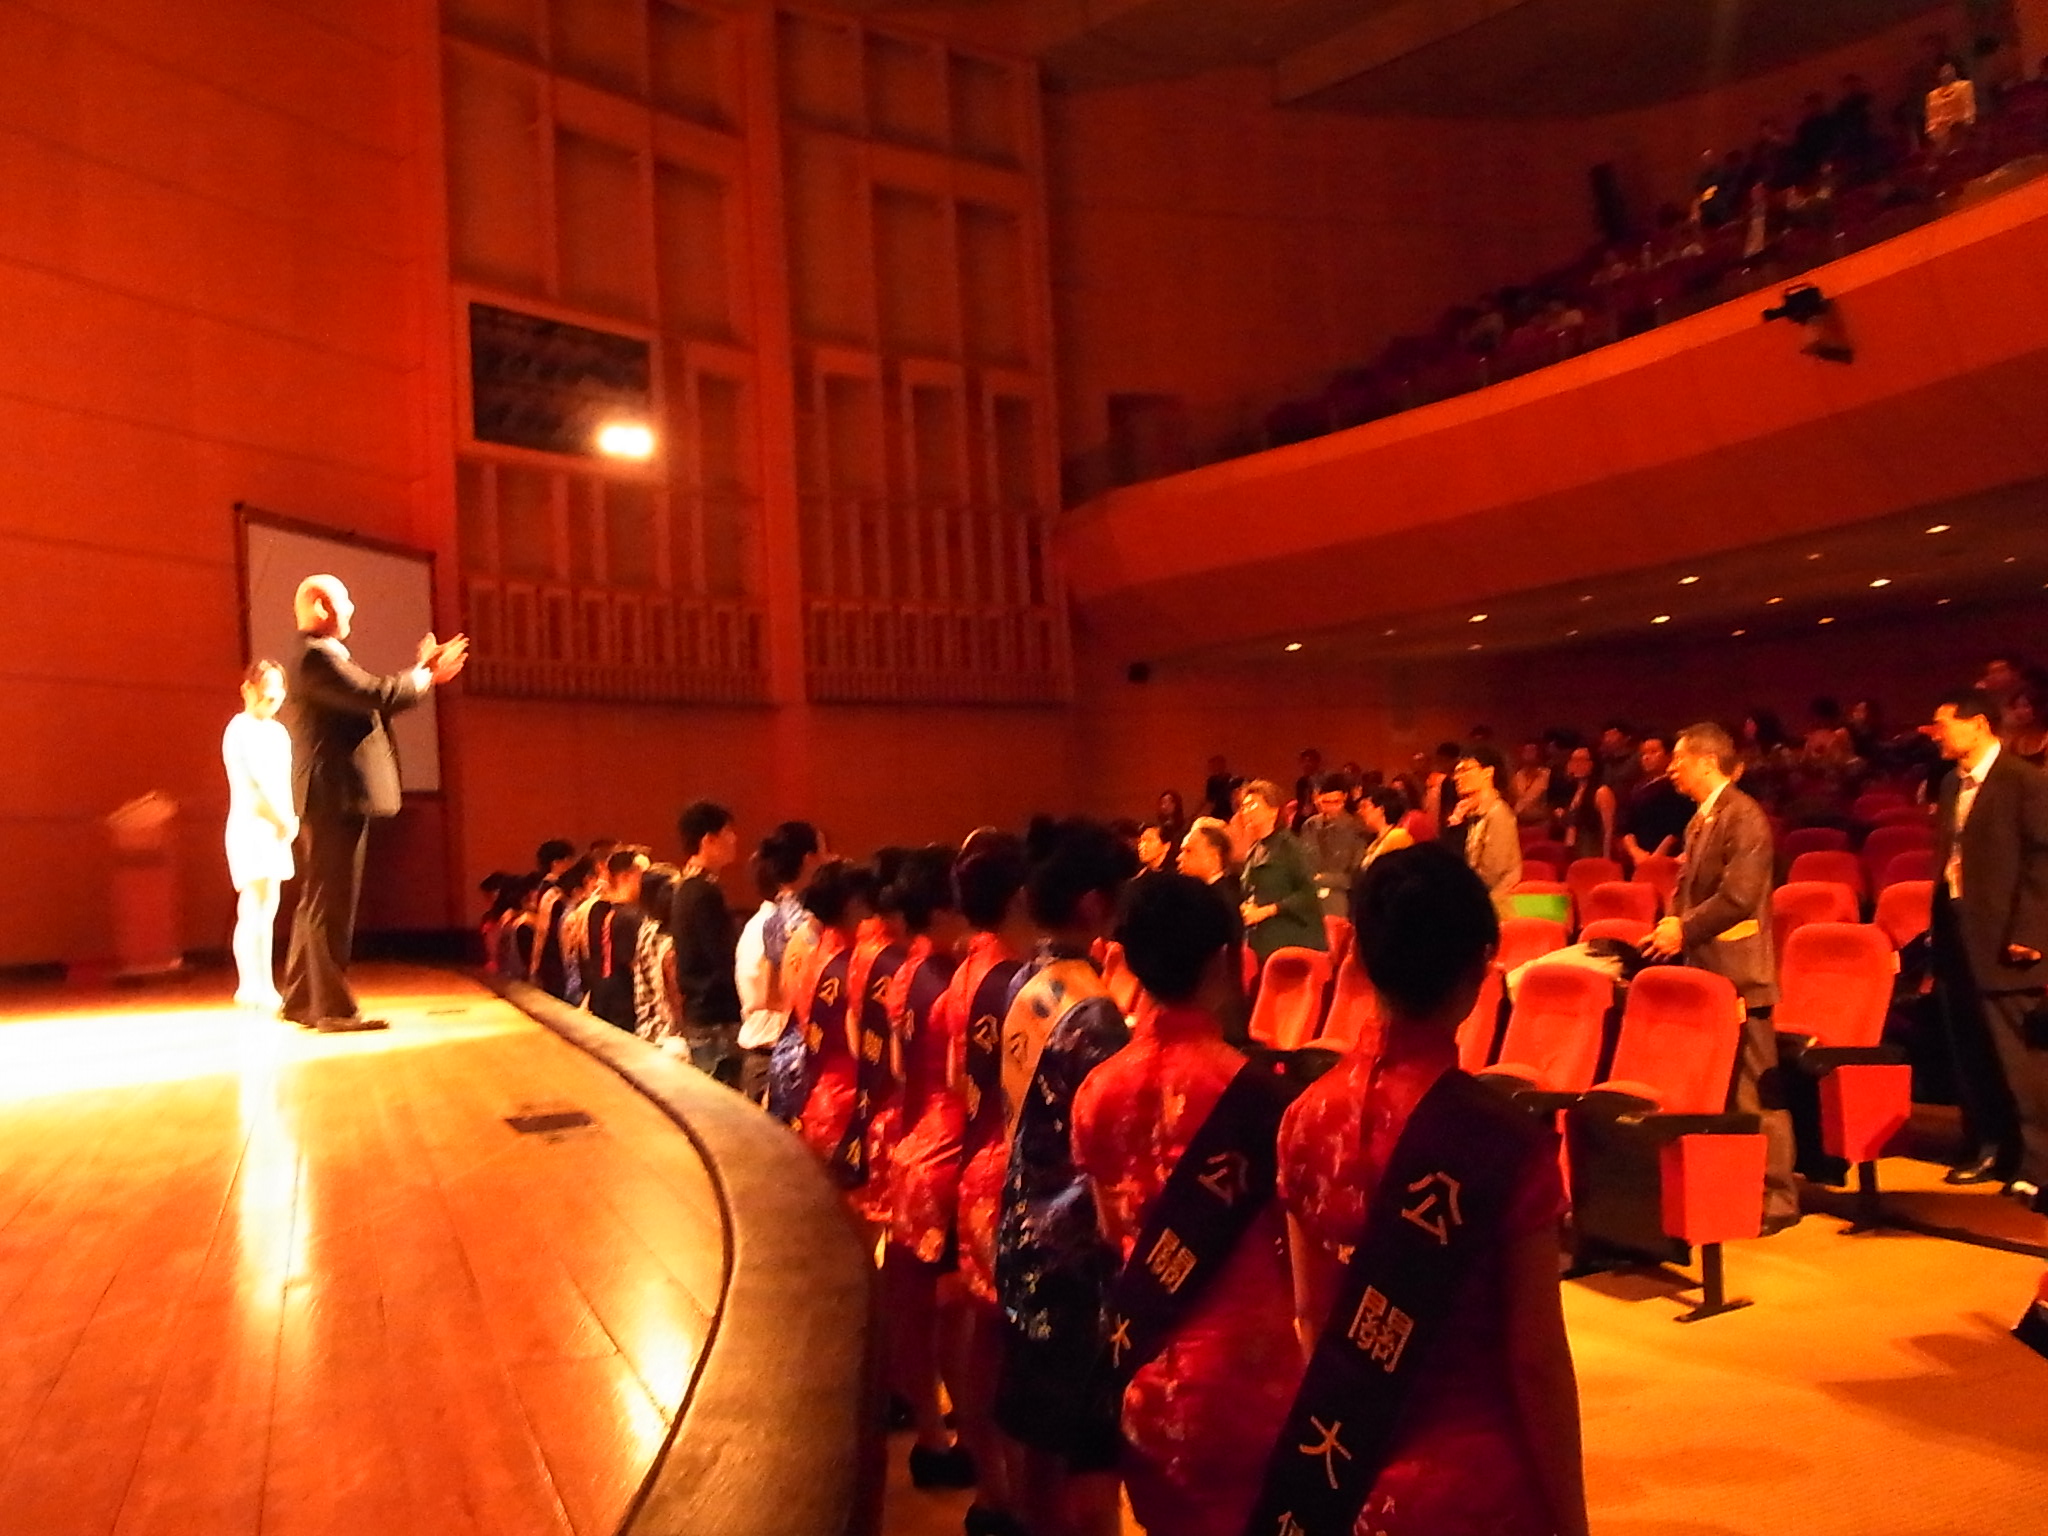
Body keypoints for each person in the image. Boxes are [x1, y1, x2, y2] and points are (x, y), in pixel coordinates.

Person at [1270, 846, 1588, 1536]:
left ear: (1358, 960)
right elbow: (1534, 1361)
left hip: (1353, 1470)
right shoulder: (1508, 1142)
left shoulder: (1303, 1117)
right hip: (1479, 1486)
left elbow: (1311, 1317)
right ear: (1478, 968)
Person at [1071, 874, 1298, 1536]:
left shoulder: (1096, 1092)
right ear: (1224, 961)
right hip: (1247, 1378)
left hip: (1144, 1369)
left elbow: (1110, 1232)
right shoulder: (1260, 1097)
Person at [993, 819, 1136, 1536]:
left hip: (1021, 1227)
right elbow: (1114, 1151)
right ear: (1093, 904)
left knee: (1036, 1432)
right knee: (1087, 1450)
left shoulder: (1025, 981)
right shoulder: (1093, 1014)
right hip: (1074, 1252)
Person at [280, 574, 465, 1032]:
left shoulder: (319, 657)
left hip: (331, 795)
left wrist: (420, 671)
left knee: (319, 900)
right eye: (345, 600)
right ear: (321, 606)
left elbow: (374, 698)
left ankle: (302, 1000)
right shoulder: (316, 657)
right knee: (330, 903)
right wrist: (425, 675)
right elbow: (376, 695)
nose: (352, 610)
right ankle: (331, 1009)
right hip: (334, 795)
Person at [1644, 722, 1797, 1231]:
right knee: (1720, 1089)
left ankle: (1778, 1197)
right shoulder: (1700, 819)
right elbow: (1687, 890)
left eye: (1679, 760)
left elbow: (1738, 897)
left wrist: (1682, 930)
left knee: (1755, 1091)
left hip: (1741, 975)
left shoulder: (1743, 815)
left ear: (1708, 762)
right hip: (1706, 974)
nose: (1671, 769)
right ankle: (1736, 1184)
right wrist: (1672, 924)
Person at [946, 834, 1036, 1536]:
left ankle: (991, 1490)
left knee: (981, 1330)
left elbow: (956, 1080)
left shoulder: (962, 974)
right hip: (1013, 1176)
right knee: (1019, 1349)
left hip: (973, 1166)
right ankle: (1018, 1498)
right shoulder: (1018, 986)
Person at [879, 846, 976, 1490]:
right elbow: (966, 1085)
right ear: (942, 911)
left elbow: (893, 1069)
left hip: (910, 1144)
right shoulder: (952, 986)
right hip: (948, 1152)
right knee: (954, 1314)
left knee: (914, 1305)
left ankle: (930, 1436)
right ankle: (962, 1444)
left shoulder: (904, 973)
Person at [1929, 690, 2048, 1205]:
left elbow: (2043, 861)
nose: (1937, 735)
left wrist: (2031, 933)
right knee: (1973, 1055)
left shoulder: (2024, 780)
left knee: (2021, 1060)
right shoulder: (1950, 783)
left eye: (1943, 724)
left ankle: (2039, 1163)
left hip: (2007, 941)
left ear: (1978, 724)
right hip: (1959, 933)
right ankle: (1991, 1147)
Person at [222, 659, 297, 1011]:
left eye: (278, 687)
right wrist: (279, 818)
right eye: (266, 687)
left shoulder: (279, 734)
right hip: (251, 826)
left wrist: (289, 820)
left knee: (268, 909)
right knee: (253, 906)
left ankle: (263, 983)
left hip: (276, 828)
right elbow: (250, 785)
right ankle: (250, 985)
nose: (273, 695)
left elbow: (284, 783)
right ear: (247, 690)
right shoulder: (238, 729)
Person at [735, 822, 822, 1105]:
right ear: (810, 860)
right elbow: (773, 997)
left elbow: (769, 996)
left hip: (770, 1059)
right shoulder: (799, 925)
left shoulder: (764, 921)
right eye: (825, 853)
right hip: (785, 1061)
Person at [671, 800, 744, 1083]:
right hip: (716, 1021)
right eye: (728, 832)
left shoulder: (685, 886)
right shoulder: (703, 892)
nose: (734, 839)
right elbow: (723, 959)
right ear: (708, 840)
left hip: (700, 1015)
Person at [1236, 779, 1327, 965]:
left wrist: (1268, 910)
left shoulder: (1290, 846)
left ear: (1273, 810)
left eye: (1252, 805)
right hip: (1260, 940)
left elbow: (1309, 893)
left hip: (1290, 942)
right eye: (1243, 807)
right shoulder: (1254, 849)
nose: (1246, 811)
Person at [584, 847, 649, 1030]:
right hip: (624, 1004)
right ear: (627, 876)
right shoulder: (631, 916)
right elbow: (636, 966)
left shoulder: (597, 909)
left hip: (601, 995)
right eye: (641, 875)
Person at [1454, 746, 1522, 920]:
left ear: (1488, 772)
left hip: (1497, 911)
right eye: (1456, 772)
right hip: (1481, 905)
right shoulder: (1474, 815)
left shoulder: (1498, 813)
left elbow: (1490, 873)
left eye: (1464, 770)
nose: (1457, 777)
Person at [1299, 773, 1368, 918]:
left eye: (1336, 802)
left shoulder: (1357, 828)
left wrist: (1324, 879)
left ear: (1345, 797)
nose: (1330, 808)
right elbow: (1302, 860)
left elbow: (1356, 874)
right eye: (1325, 802)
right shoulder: (1310, 825)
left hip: (1341, 896)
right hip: (1311, 895)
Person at [1620, 733, 1693, 867]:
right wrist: (1635, 851)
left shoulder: (1678, 786)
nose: (1647, 757)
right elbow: (1627, 827)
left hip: (1667, 858)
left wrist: (1656, 857)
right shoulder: (1637, 787)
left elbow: (1677, 829)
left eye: (1653, 752)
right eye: (1643, 754)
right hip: (1638, 858)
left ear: (1669, 755)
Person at [631, 863, 683, 1044]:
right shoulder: (668, 942)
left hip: (648, 1029)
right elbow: (675, 999)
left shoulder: (647, 927)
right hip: (666, 1035)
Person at [1552, 745, 1617, 861]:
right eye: (1574, 760)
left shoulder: (1601, 792)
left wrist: (1606, 858)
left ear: (1592, 764)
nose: (1577, 764)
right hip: (1573, 849)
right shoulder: (1574, 790)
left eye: (1581, 760)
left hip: (1591, 851)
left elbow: (1608, 830)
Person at [1357, 785, 1414, 872]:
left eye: (1365, 806)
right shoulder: (1376, 841)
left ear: (1381, 809)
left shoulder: (1398, 837)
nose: (1360, 812)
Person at [1925, 61, 1977, 152]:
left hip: (1959, 128)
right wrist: (1935, 132)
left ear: (1954, 70)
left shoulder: (1964, 86)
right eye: (1943, 71)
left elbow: (1968, 111)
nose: (1946, 73)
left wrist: (1962, 124)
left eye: (1948, 69)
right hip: (1940, 134)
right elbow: (1931, 120)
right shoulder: (1932, 96)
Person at [1510, 740, 1553, 826]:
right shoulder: (1517, 776)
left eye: (1532, 751)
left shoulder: (1548, 775)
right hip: (1519, 821)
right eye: (1526, 751)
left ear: (1539, 754)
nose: (1529, 754)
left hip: (1541, 822)